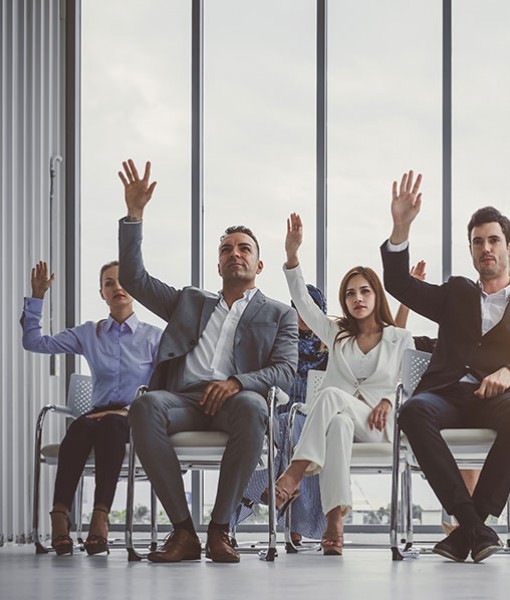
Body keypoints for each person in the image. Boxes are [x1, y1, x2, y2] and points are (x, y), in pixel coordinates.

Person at [117, 159, 298, 564]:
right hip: (182, 402)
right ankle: (183, 532)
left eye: (244, 249)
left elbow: (285, 371)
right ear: (218, 264)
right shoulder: (188, 301)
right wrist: (135, 214)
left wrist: (236, 382)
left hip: (235, 404)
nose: (235, 253)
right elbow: (133, 279)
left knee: (253, 406)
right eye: (226, 249)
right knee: (145, 404)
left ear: (258, 265)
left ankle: (220, 529)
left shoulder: (279, 314)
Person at [263, 213, 414, 556]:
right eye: (349, 293)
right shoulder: (336, 334)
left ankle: (292, 476)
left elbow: (408, 383)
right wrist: (291, 257)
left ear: (376, 294)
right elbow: (303, 302)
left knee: (332, 395)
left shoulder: (399, 338)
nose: (357, 298)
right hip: (341, 421)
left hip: (379, 425)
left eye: (364, 291)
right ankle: (335, 524)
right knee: (340, 425)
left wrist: (389, 401)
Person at [381, 169, 510, 563]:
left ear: (508, 247)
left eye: (493, 240)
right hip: (447, 395)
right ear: (471, 250)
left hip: (497, 398)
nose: (485, 247)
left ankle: (468, 527)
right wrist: (400, 227)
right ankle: (476, 528)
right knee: (413, 411)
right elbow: (399, 284)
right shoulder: (455, 292)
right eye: (477, 242)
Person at [21, 260, 162, 555]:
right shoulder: (90, 333)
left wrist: (128, 410)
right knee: (80, 426)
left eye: (123, 281)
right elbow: (34, 342)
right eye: (109, 283)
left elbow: (165, 385)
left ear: (134, 288)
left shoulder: (153, 337)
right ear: (102, 293)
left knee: (111, 425)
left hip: (132, 417)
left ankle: (100, 517)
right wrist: (37, 297)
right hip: (96, 415)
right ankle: (59, 516)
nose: (117, 287)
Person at [234, 285, 328, 545]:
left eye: (309, 309)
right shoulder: (282, 342)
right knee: (288, 425)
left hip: (315, 418)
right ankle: (292, 516)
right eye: (297, 309)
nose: (302, 315)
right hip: (280, 415)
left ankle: (257, 496)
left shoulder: (329, 346)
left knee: (298, 427)